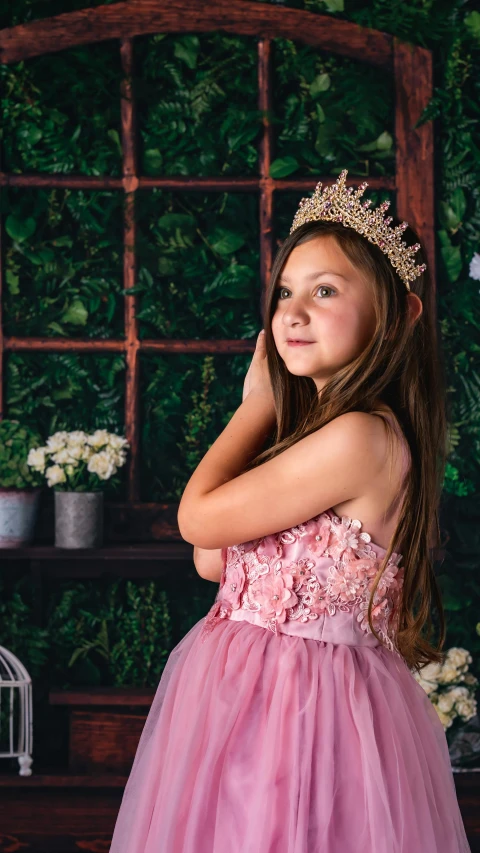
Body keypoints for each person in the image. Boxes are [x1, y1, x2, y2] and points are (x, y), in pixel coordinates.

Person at [109, 170, 471, 852]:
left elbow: (196, 520)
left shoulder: (360, 436)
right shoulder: (319, 434)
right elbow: (215, 560)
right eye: (285, 292)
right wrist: (275, 418)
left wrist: (256, 404)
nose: (292, 313)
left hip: (306, 717)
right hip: (239, 709)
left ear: (397, 313)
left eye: (325, 290)